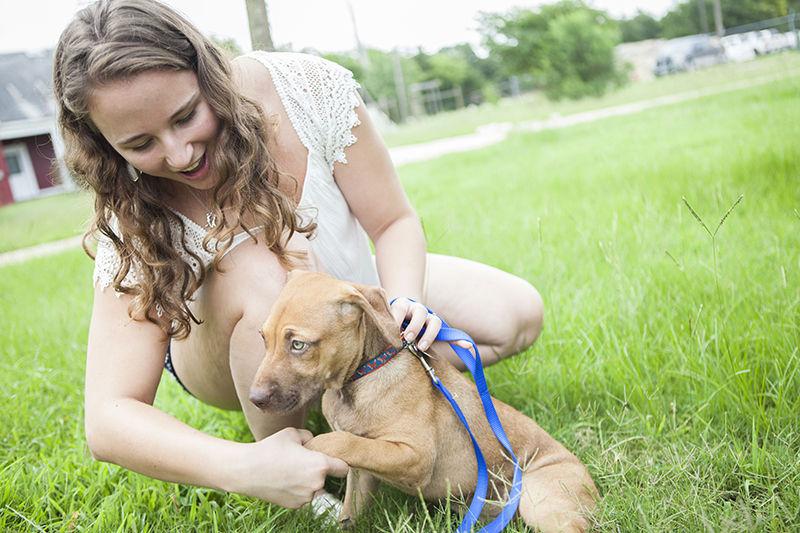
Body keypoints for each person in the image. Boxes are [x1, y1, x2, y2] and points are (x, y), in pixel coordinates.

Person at [55, 0, 544, 511]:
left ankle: (377, 402)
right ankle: (286, 458)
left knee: (513, 315)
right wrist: (241, 469)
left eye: (186, 116)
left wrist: (403, 301)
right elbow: (109, 418)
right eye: (139, 143)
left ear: (210, 74)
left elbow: (394, 222)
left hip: (347, 294)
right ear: (104, 145)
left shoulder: (303, 91)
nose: (180, 155)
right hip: (228, 345)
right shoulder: (129, 209)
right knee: (258, 274)